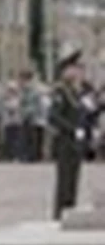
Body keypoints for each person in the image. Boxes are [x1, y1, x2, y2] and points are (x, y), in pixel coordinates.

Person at [48, 49, 91, 220]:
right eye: (75, 68)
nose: (78, 72)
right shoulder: (61, 91)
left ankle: (70, 210)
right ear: (66, 70)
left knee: (73, 179)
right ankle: (60, 214)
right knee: (64, 180)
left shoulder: (76, 91)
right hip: (65, 141)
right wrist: (72, 129)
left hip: (76, 142)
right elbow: (54, 116)